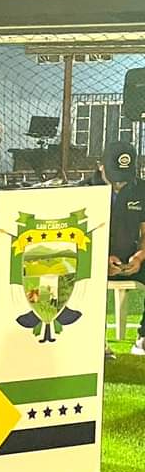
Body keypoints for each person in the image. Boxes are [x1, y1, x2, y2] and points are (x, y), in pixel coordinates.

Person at [95, 141, 145, 356]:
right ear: (100, 166)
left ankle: (143, 339)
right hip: (96, 257)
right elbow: (79, 237)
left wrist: (140, 256)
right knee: (79, 271)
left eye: (124, 178)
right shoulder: (85, 189)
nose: (119, 183)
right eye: (115, 177)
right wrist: (102, 257)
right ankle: (95, 340)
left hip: (133, 257)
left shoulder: (142, 189)